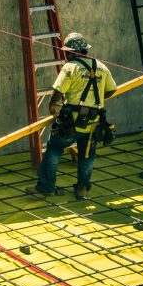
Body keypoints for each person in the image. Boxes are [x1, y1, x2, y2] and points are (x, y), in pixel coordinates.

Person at [26, 32, 117, 200]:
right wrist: (95, 100)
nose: (66, 56)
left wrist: (52, 106)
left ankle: (45, 187)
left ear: (73, 52)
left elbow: (58, 91)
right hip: (93, 122)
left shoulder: (70, 67)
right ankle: (82, 189)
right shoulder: (101, 67)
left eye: (67, 52)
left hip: (71, 122)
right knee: (87, 154)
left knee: (54, 149)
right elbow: (112, 89)